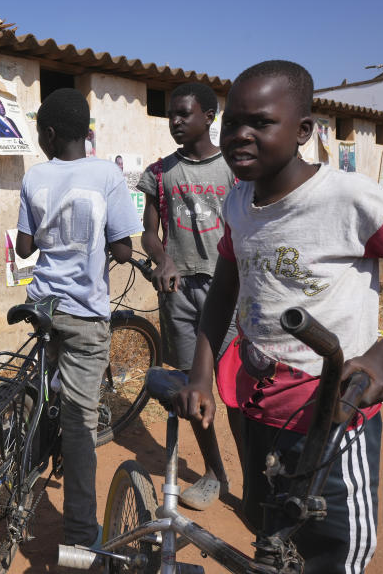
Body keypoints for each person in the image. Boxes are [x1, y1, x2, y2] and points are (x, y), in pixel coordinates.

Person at [173, 60, 383, 573]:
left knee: (332, 550)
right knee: (271, 532)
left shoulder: (348, 200)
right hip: (256, 405)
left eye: (260, 122)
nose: (239, 135)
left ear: (303, 131)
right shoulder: (238, 202)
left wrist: (381, 357)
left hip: (331, 415)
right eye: (231, 122)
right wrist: (201, 372)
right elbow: (225, 288)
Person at [16, 88, 142, 548]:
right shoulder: (107, 174)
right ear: (84, 134)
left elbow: (25, 248)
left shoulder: (34, 177)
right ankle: (81, 535)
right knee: (80, 425)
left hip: (42, 306)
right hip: (86, 315)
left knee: (44, 384)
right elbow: (124, 249)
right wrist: (110, 246)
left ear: (49, 135)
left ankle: (20, 471)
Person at [136, 82, 237, 511]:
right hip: (178, 294)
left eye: (184, 114)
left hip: (228, 291)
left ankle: (266, 480)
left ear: (209, 116)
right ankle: (215, 472)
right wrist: (163, 260)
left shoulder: (234, 168)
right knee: (190, 389)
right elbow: (149, 232)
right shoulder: (160, 173)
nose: (175, 122)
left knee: (239, 388)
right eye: (171, 115)